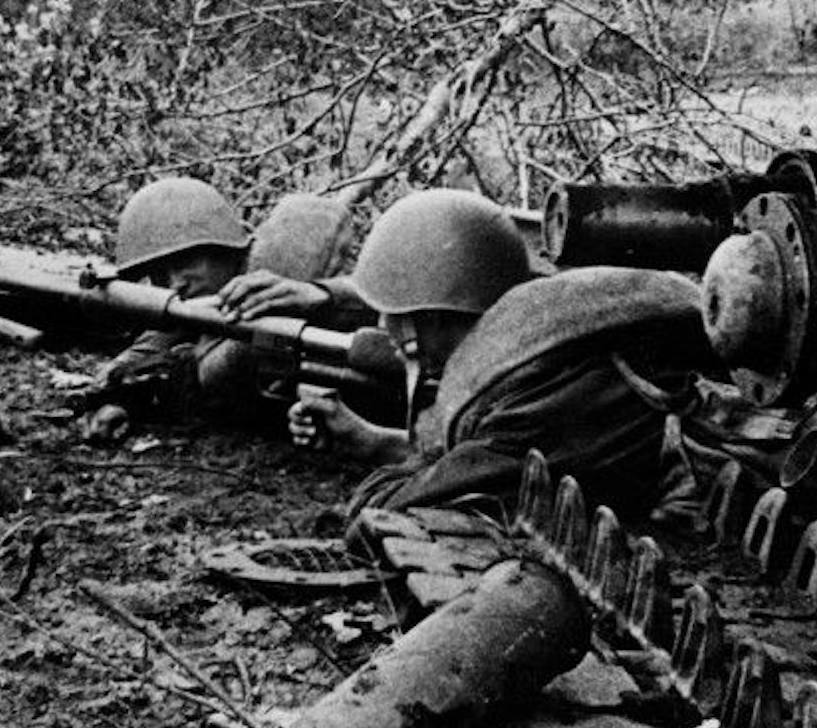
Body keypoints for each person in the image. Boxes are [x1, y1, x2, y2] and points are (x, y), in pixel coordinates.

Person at [288, 189, 713, 531]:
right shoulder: (546, 339)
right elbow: (472, 459)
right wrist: (372, 440)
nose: (383, 324)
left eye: (393, 312)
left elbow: (387, 509)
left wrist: (391, 462)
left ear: (431, 317)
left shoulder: (530, 399)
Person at [87, 177, 370, 430]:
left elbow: (381, 303)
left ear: (229, 250)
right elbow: (144, 351)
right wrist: (116, 401)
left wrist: (318, 296)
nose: (175, 282)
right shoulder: (196, 307)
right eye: (160, 273)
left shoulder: (283, 275)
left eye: (186, 261)